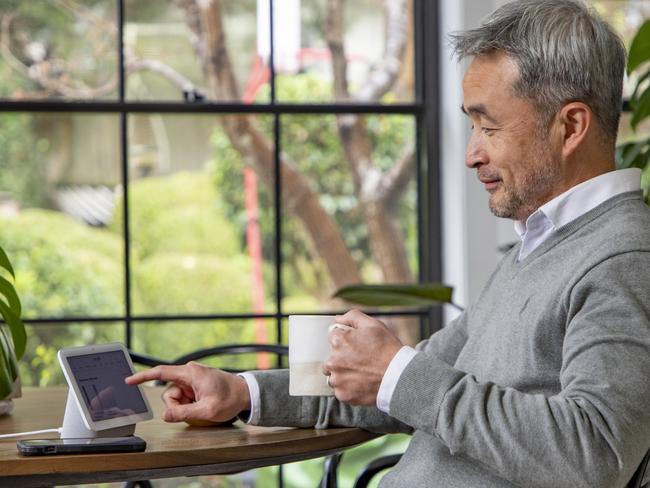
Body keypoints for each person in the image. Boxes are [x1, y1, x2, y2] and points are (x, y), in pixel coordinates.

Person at [126, 1, 650, 486]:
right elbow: (402, 386)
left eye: (488, 127)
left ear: (571, 126)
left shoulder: (623, 258)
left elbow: (597, 451)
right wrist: (243, 393)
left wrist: (399, 372)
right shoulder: (539, 245)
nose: (471, 154)